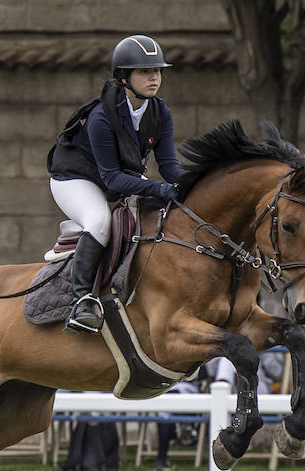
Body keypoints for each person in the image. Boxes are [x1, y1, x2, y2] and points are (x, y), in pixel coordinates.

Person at [47, 34, 183, 335]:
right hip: (76, 178)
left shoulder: (160, 112)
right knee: (99, 221)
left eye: (157, 71)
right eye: (144, 71)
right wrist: (159, 188)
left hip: (119, 178)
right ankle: (81, 300)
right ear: (123, 77)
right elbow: (111, 178)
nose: (154, 78)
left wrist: (193, 183)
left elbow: (170, 167)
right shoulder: (101, 118)